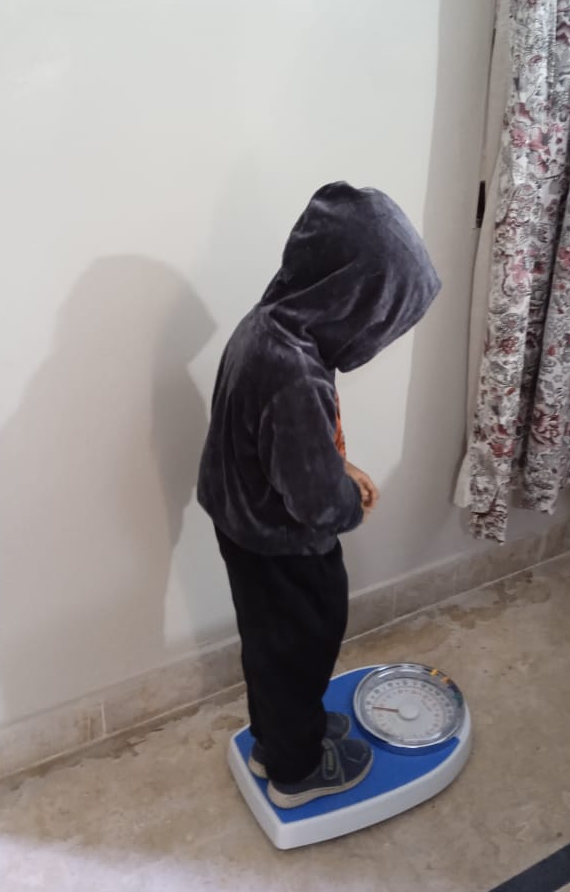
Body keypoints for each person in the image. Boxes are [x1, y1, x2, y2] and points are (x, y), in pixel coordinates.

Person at [197, 181, 440, 808]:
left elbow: (281, 443)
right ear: (348, 300)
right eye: (381, 320)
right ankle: (296, 770)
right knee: (303, 648)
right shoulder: (294, 373)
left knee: (271, 649)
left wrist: (336, 463)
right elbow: (315, 502)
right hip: (281, 544)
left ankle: (278, 738)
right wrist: (347, 500)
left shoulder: (269, 326)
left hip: (241, 521)